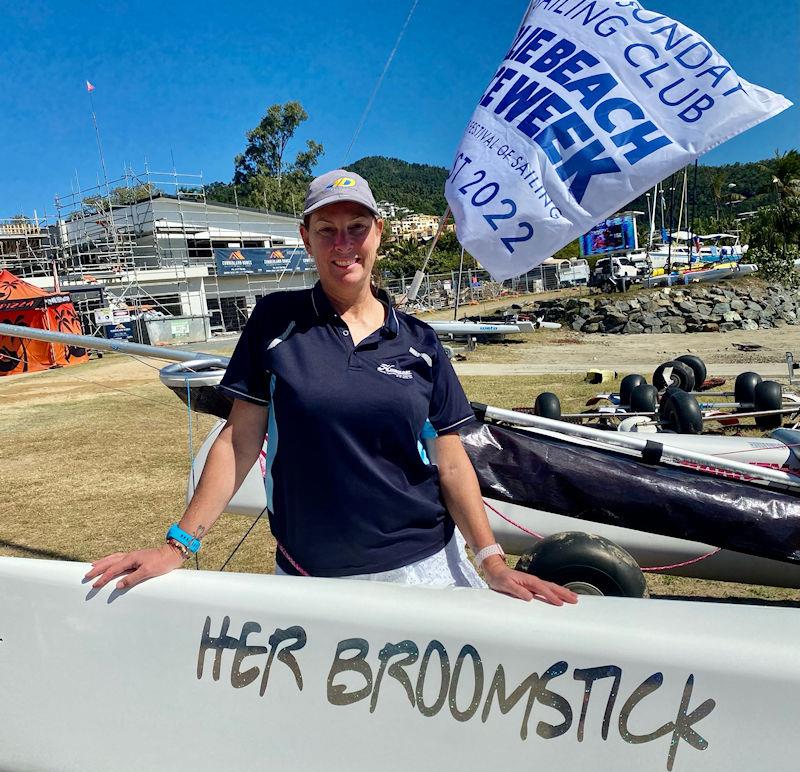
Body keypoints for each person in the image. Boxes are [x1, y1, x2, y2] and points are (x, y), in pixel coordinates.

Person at [86, 169, 577, 606]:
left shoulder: (420, 342)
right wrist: (178, 546)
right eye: (327, 231)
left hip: (424, 572)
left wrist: (491, 560)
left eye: (356, 228)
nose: (343, 244)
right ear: (306, 238)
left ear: (378, 234)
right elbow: (239, 441)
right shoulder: (274, 321)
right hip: (311, 578)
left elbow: (450, 461)